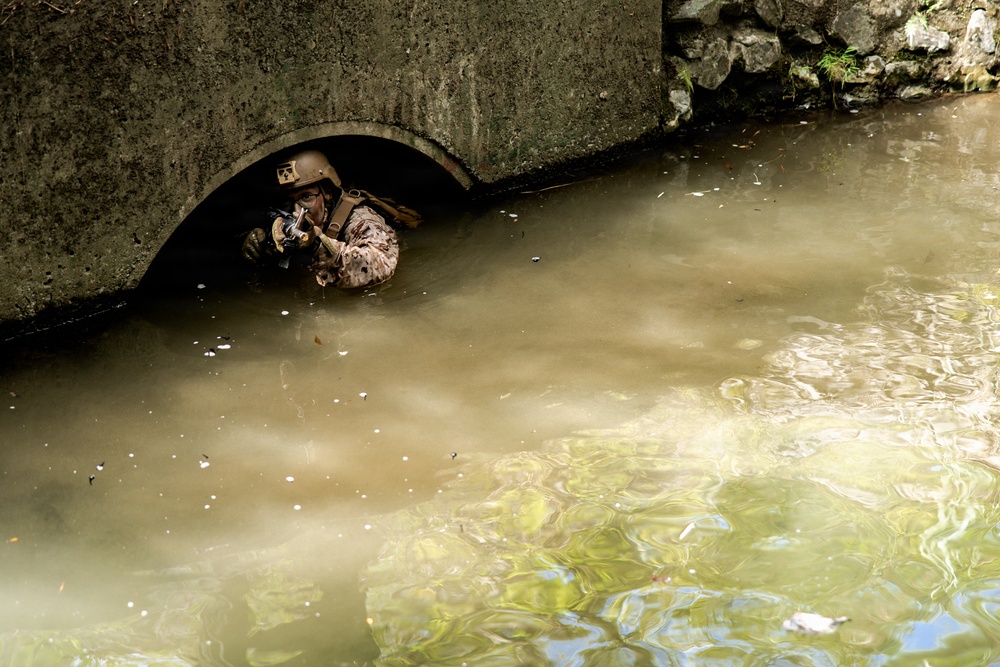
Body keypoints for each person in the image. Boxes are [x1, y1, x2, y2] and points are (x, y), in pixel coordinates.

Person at [240, 149, 417, 289]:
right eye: (289, 200)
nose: (297, 209)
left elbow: (380, 266)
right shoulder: (287, 216)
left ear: (327, 193)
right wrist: (257, 244)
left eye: (306, 196)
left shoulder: (361, 219)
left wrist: (318, 246)